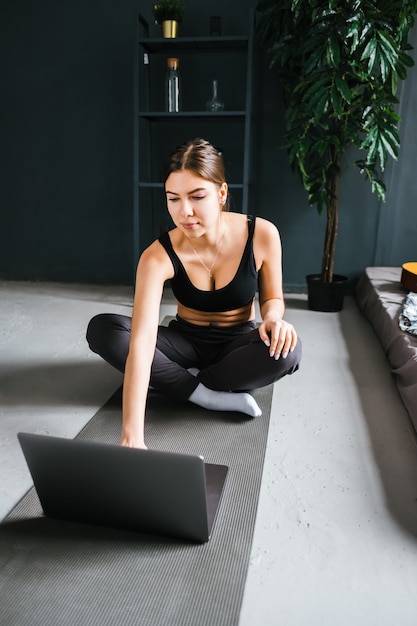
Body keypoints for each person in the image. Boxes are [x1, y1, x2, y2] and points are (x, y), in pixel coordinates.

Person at [87, 138, 301, 449]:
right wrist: (131, 437)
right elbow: (144, 339)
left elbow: (273, 298)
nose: (184, 211)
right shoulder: (157, 256)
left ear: (222, 193)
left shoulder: (262, 234)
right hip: (184, 341)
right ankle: (206, 394)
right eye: (173, 199)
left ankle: (177, 380)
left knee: (289, 351)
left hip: (237, 342)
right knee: (104, 329)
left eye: (197, 196)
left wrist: (273, 319)